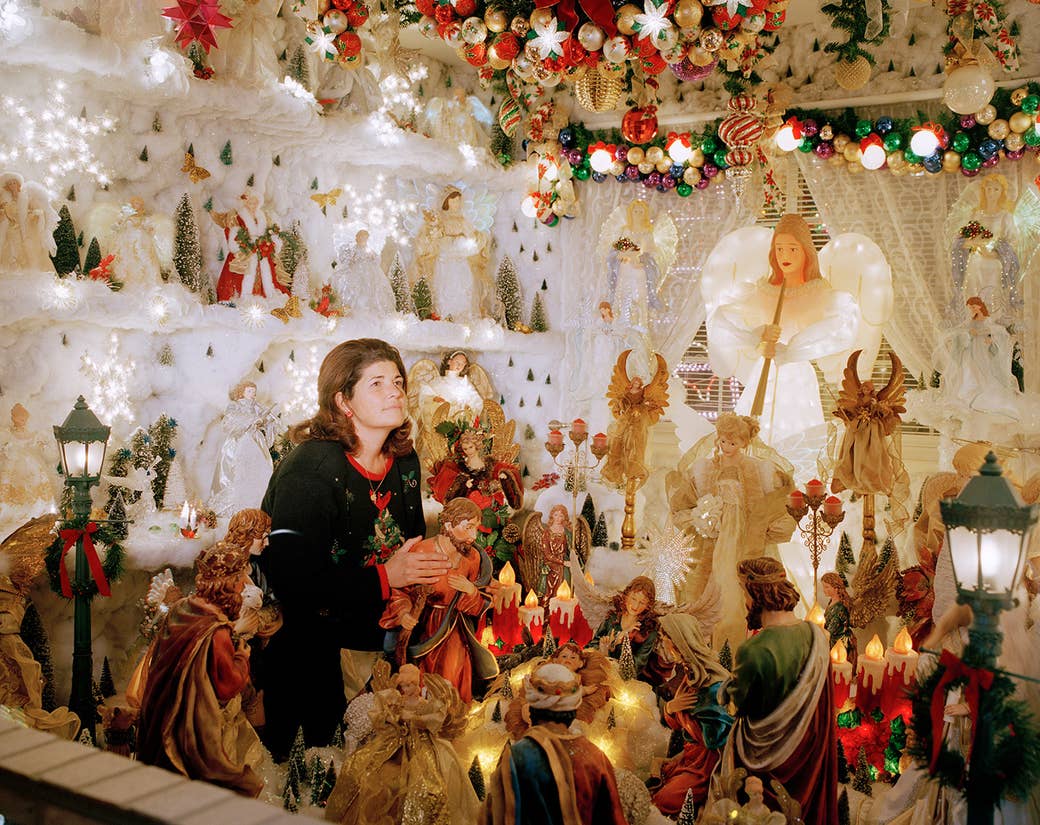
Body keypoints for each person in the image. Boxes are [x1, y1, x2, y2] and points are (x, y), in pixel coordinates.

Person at [259, 338, 450, 761]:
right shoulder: (309, 470)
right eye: (377, 383)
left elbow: (410, 541)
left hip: (385, 642)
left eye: (398, 381)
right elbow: (293, 583)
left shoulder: (404, 461)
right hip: (312, 655)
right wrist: (387, 577)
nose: (395, 392)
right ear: (344, 401)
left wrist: (413, 582)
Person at [706, 214, 860, 449]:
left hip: (796, 374)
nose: (784, 256)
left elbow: (840, 327)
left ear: (805, 251)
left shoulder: (818, 293)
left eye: (792, 249)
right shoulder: (763, 290)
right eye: (779, 249)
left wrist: (793, 350)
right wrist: (755, 334)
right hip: (763, 372)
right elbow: (720, 315)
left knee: (797, 440)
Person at [135, 536, 264, 796]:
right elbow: (227, 686)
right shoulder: (216, 631)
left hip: (159, 714)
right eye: (240, 579)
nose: (242, 587)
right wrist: (242, 656)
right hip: (188, 730)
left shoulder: (182, 608)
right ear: (228, 584)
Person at [715, 557, 836, 825]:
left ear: (757, 594)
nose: (744, 602)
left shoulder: (754, 650)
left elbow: (740, 706)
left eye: (744, 593)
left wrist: (724, 690)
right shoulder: (817, 637)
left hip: (763, 762)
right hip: (809, 760)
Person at [666, 412, 794, 647]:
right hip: (715, 532)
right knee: (712, 579)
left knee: (738, 582)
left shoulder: (754, 468)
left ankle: (739, 636)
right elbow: (685, 501)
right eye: (723, 441)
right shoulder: (706, 468)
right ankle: (707, 639)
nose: (726, 447)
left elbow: (767, 503)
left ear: (744, 443)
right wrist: (703, 516)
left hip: (743, 533)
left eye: (733, 443)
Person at [324, 663, 480, 825]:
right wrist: (393, 719)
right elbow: (381, 718)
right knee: (368, 770)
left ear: (415, 685)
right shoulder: (396, 701)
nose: (404, 689)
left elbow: (433, 721)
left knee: (425, 781)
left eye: (408, 685)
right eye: (402, 685)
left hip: (420, 746)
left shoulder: (423, 704)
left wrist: (414, 720)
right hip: (395, 744)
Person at [379, 497, 498, 703]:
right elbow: (400, 590)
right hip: (424, 627)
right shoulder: (423, 551)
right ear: (449, 525)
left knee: (453, 673)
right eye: (468, 527)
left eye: (476, 528)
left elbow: (480, 600)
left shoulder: (473, 558)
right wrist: (404, 614)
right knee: (420, 681)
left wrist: (470, 591)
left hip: (454, 628)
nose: (473, 536)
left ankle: (452, 719)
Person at [480, 662, 629, 825]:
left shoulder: (517, 756)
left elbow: (496, 816)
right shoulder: (595, 757)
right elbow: (613, 818)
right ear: (573, 713)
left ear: (532, 711)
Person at [649, 613, 733, 817]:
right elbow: (677, 724)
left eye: (665, 640)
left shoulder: (713, 683)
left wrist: (682, 713)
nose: (662, 645)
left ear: (679, 642)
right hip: (690, 757)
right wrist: (671, 708)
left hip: (707, 765)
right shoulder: (691, 673)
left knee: (663, 801)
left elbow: (714, 739)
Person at [934, 296, 1022, 419]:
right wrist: (967, 334)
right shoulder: (969, 321)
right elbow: (960, 331)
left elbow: (1000, 333)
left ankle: (986, 398)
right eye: (970, 308)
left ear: (980, 306)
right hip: (970, 350)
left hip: (983, 350)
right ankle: (968, 398)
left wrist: (990, 339)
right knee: (969, 370)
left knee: (986, 371)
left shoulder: (987, 320)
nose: (972, 310)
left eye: (974, 307)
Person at [413, 187, 492, 323]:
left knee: (464, 284)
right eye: (453, 201)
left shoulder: (463, 220)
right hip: (445, 260)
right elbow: (430, 239)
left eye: (458, 201)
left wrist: (473, 239)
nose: (456, 204)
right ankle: (444, 316)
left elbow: (472, 237)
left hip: (460, 260)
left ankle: (463, 317)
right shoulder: (440, 220)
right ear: (446, 202)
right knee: (444, 286)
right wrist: (437, 233)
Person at [209, 381, 279, 518]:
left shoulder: (257, 406)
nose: (253, 394)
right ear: (242, 392)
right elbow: (229, 421)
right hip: (239, 441)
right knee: (237, 470)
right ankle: (235, 504)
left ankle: (258, 503)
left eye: (254, 392)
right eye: (249, 391)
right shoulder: (235, 406)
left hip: (255, 441)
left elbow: (266, 419)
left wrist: (266, 421)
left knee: (258, 469)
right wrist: (252, 420)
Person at [950, 173, 1020, 310]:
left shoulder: (1005, 216)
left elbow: (1012, 241)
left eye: (996, 189)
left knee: (992, 277)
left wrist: (995, 253)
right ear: (983, 191)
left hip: (995, 261)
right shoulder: (976, 214)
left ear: (1002, 192)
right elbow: (963, 237)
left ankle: (993, 315)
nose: (992, 193)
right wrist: (971, 244)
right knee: (973, 271)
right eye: (989, 189)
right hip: (976, 258)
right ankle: (975, 315)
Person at [592, 575, 660, 676]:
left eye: (642, 602)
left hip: (625, 683)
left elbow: (636, 667)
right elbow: (591, 645)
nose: (636, 606)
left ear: (648, 606)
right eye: (633, 598)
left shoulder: (648, 632)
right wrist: (604, 649)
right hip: (600, 671)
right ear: (626, 595)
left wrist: (619, 644)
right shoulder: (612, 619)